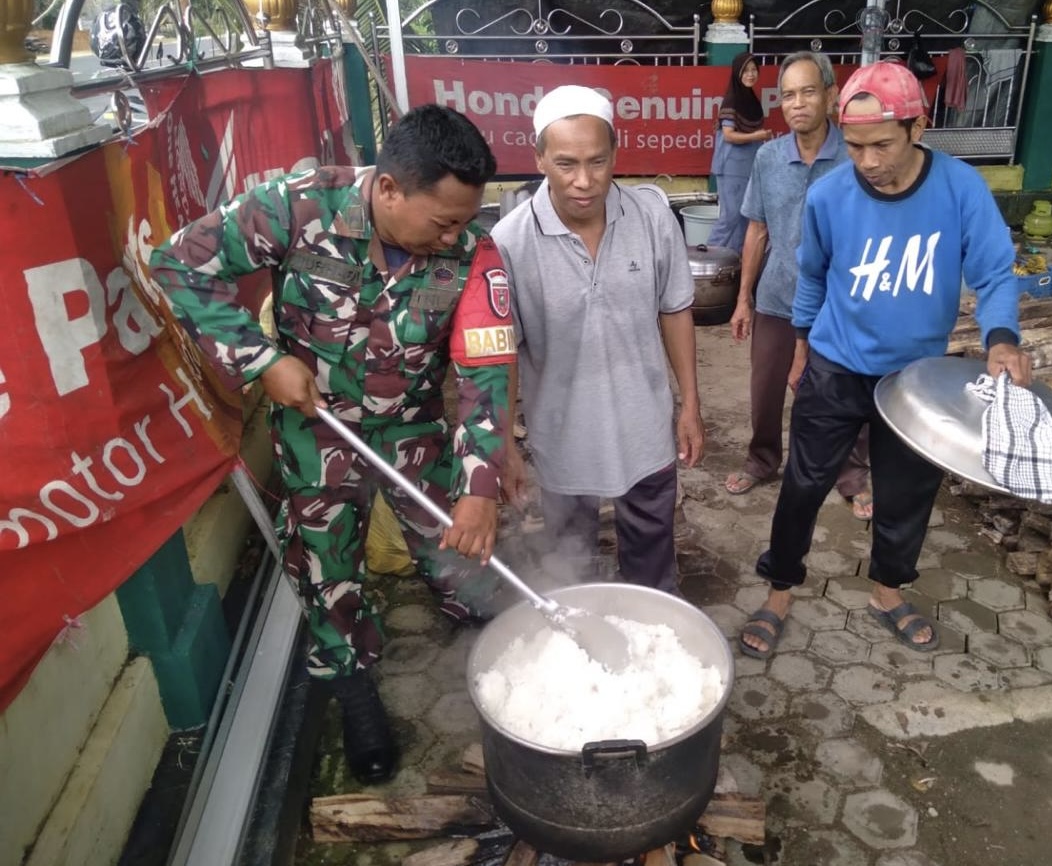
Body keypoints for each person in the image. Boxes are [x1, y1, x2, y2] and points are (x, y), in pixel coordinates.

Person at [150, 105, 514, 784]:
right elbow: (176, 265)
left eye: (466, 220)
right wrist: (259, 358)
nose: (456, 236)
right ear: (388, 189)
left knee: (454, 535)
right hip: (317, 424)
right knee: (325, 562)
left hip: (410, 424)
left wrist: (482, 490)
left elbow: (484, 376)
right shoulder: (296, 208)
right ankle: (352, 688)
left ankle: (475, 612)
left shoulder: (473, 252)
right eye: (443, 222)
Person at [739, 62, 1031, 659]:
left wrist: (1002, 338)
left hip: (916, 379)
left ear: (918, 127)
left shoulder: (960, 188)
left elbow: (995, 271)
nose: (867, 161)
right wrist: (801, 347)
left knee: (906, 492)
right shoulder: (829, 197)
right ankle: (779, 591)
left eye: (882, 145)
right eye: (854, 146)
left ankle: (887, 590)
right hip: (836, 366)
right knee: (803, 483)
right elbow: (812, 278)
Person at [492, 85, 705, 595]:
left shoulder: (652, 216)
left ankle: (653, 638)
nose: (584, 182)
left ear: (616, 154)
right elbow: (507, 351)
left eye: (598, 162)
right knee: (571, 561)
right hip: (563, 434)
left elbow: (675, 310)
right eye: (565, 164)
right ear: (538, 156)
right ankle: (582, 646)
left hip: (645, 425)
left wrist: (690, 404)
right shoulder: (510, 242)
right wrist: (505, 443)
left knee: (652, 557)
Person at [724, 51, 873, 523]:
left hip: (838, 306)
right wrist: (743, 298)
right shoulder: (768, 157)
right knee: (765, 389)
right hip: (777, 297)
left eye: (809, 91)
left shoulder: (853, 159)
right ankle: (762, 460)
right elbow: (756, 230)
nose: (798, 103)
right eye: (788, 95)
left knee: (840, 392)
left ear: (831, 96)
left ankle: (850, 475)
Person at [706, 52, 772, 252]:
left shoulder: (752, 100)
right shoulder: (732, 100)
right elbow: (728, 135)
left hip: (749, 166)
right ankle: (706, 259)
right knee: (730, 216)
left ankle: (734, 264)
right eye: (746, 70)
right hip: (731, 166)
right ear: (737, 73)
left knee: (745, 217)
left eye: (754, 70)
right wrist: (757, 136)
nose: (751, 74)